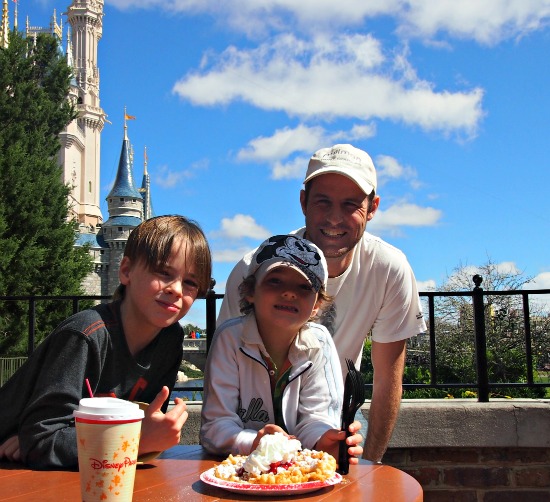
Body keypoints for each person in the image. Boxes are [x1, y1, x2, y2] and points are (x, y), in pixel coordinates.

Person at [218, 144, 427, 463]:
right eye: (322, 202)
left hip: (332, 427)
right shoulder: (252, 271)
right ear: (303, 202)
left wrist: (367, 467)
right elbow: (226, 381)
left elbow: (387, 380)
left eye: (350, 205)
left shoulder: (388, 269)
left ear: (372, 208)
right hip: (255, 430)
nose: (334, 218)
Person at [0, 215, 212, 469]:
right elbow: (43, 439)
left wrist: (143, 437)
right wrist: (135, 441)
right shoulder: (86, 335)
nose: (176, 289)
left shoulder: (169, 339)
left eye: (190, 282)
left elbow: (142, 426)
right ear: (126, 271)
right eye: (163, 272)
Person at [201, 234, 363, 464]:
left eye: (304, 287)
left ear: (316, 304)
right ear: (250, 291)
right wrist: (255, 443)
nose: (289, 293)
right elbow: (215, 426)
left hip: (298, 471)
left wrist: (324, 439)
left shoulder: (320, 343)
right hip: (238, 469)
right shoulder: (230, 338)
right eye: (275, 281)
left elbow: (317, 417)